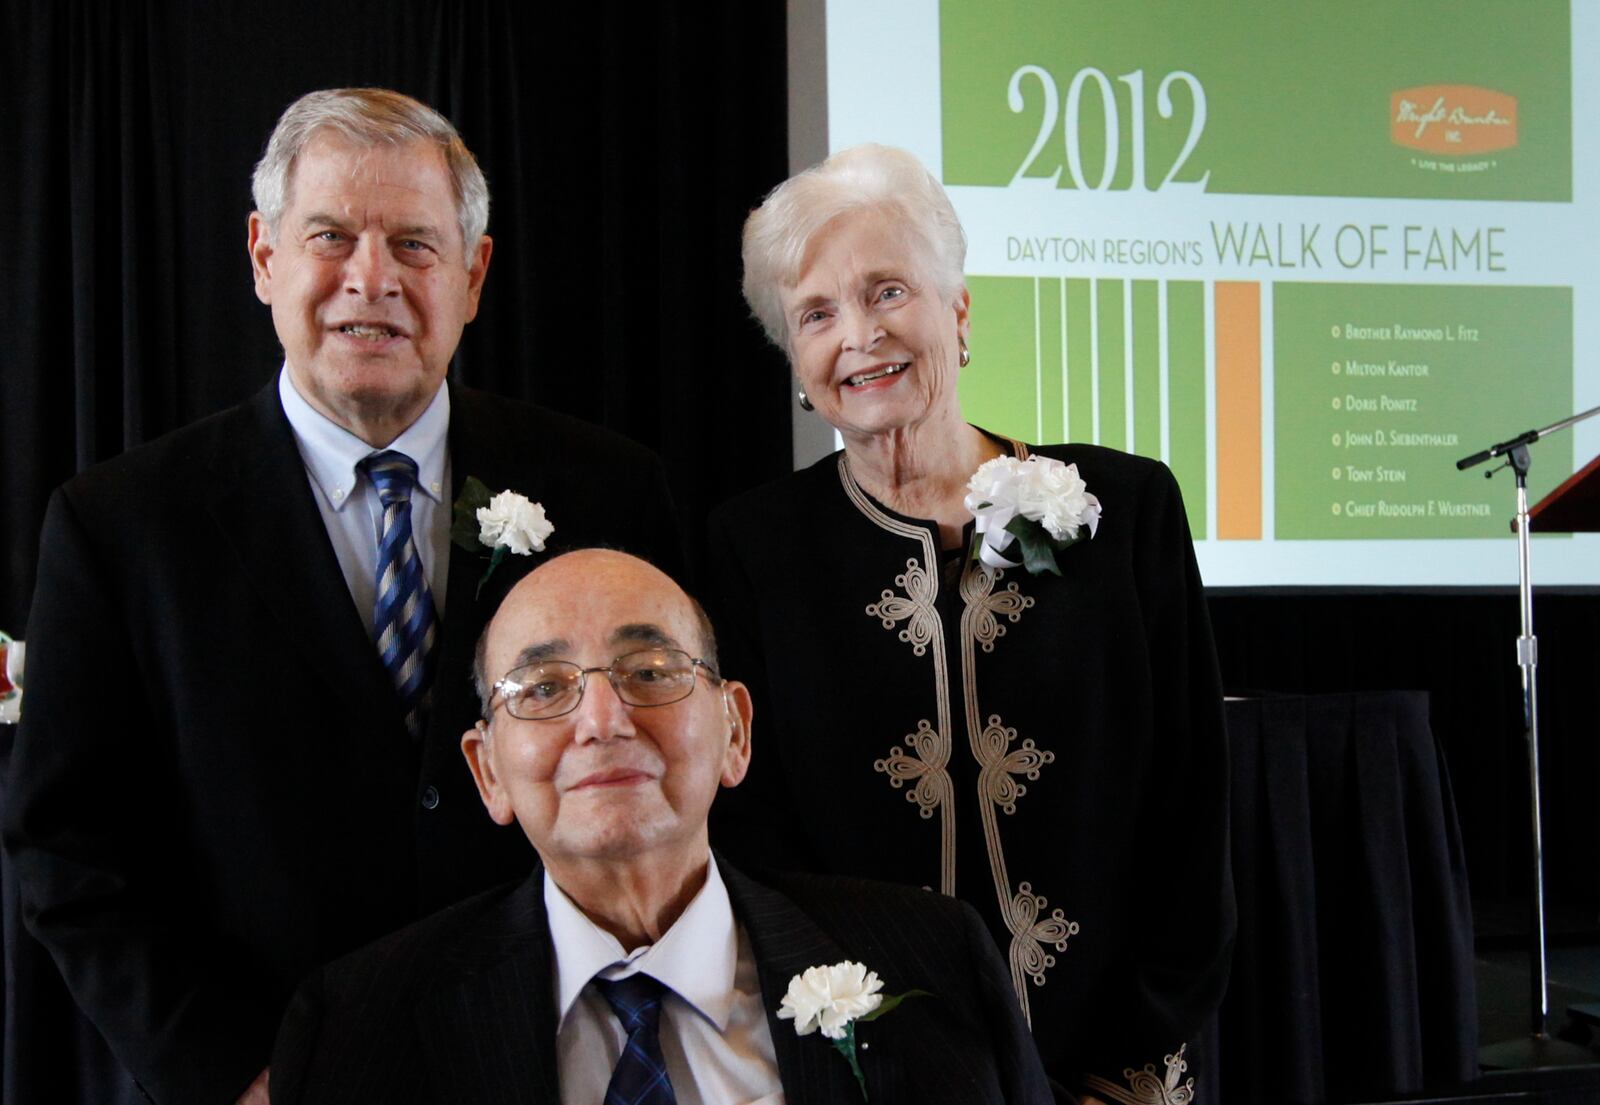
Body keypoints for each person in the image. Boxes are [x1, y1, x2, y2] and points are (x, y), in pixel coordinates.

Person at [1, 89, 681, 1105]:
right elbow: (67, 849)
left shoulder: (609, 491)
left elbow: (679, 779)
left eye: (415, 244)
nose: (373, 280)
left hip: (555, 1062)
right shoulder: (120, 527)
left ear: (474, 274)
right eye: (331, 237)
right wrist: (235, 1072)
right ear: (264, 255)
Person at [706, 144, 1234, 1104]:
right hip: (875, 1070)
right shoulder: (752, 548)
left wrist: (1133, 1057)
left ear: (958, 312)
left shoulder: (1127, 509)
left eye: (888, 292)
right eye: (816, 314)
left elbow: (1192, 806)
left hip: (1125, 1069)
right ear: (795, 360)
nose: (858, 336)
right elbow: (754, 837)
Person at [268, 548, 1055, 1105]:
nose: (602, 721)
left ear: (735, 730)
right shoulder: (358, 1025)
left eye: (650, 672)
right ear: (487, 771)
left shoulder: (934, 960)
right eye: (542, 688)